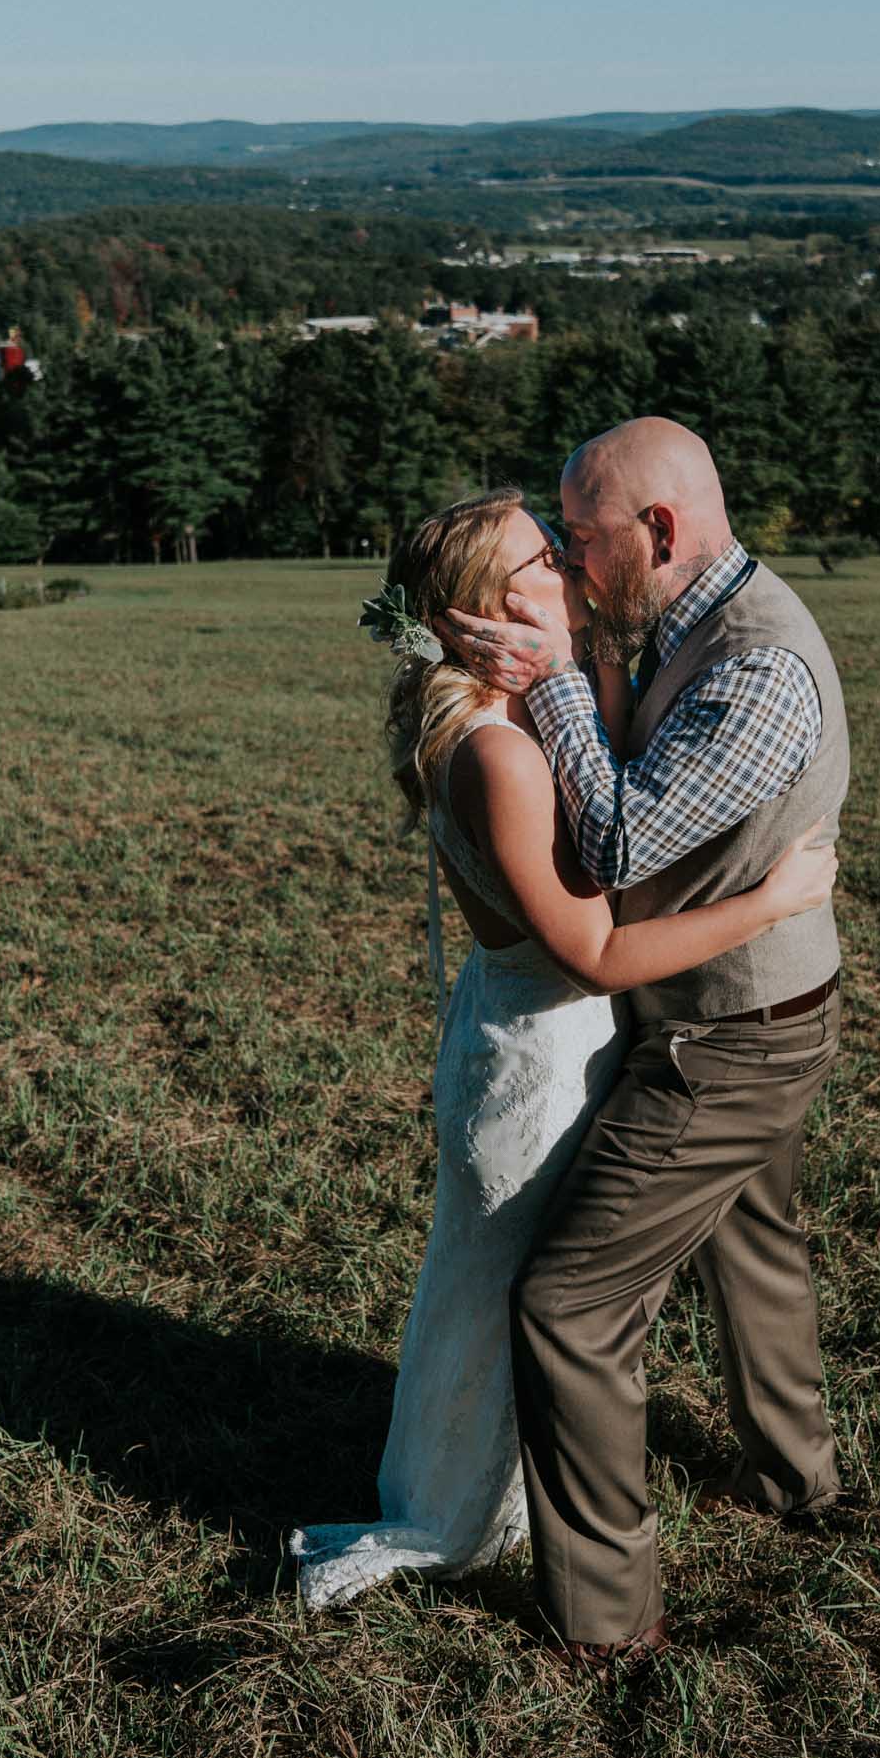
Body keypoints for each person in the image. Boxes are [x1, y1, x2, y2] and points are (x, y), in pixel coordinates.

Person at [291, 485, 836, 1613]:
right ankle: (469, 1518)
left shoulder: (507, 720)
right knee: (515, 1295)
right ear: (494, 605)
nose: (573, 564)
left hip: (519, 1027)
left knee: (480, 1285)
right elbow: (595, 947)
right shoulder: (498, 752)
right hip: (540, 1057)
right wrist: (772, 901)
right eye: (547, 554)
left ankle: (480, 1486)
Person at [441, 418, 851, 1672]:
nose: (570, 553)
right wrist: (579, 671)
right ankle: (798, 1480)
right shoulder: (678, 625)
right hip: (747, 1011)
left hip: (731, 1039)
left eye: (584, 531)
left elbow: (624, 842)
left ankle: (609, 1621)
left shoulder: (760, 666)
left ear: (660, 533)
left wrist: (556, 674)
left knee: (568, 1304)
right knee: (757, 1244)